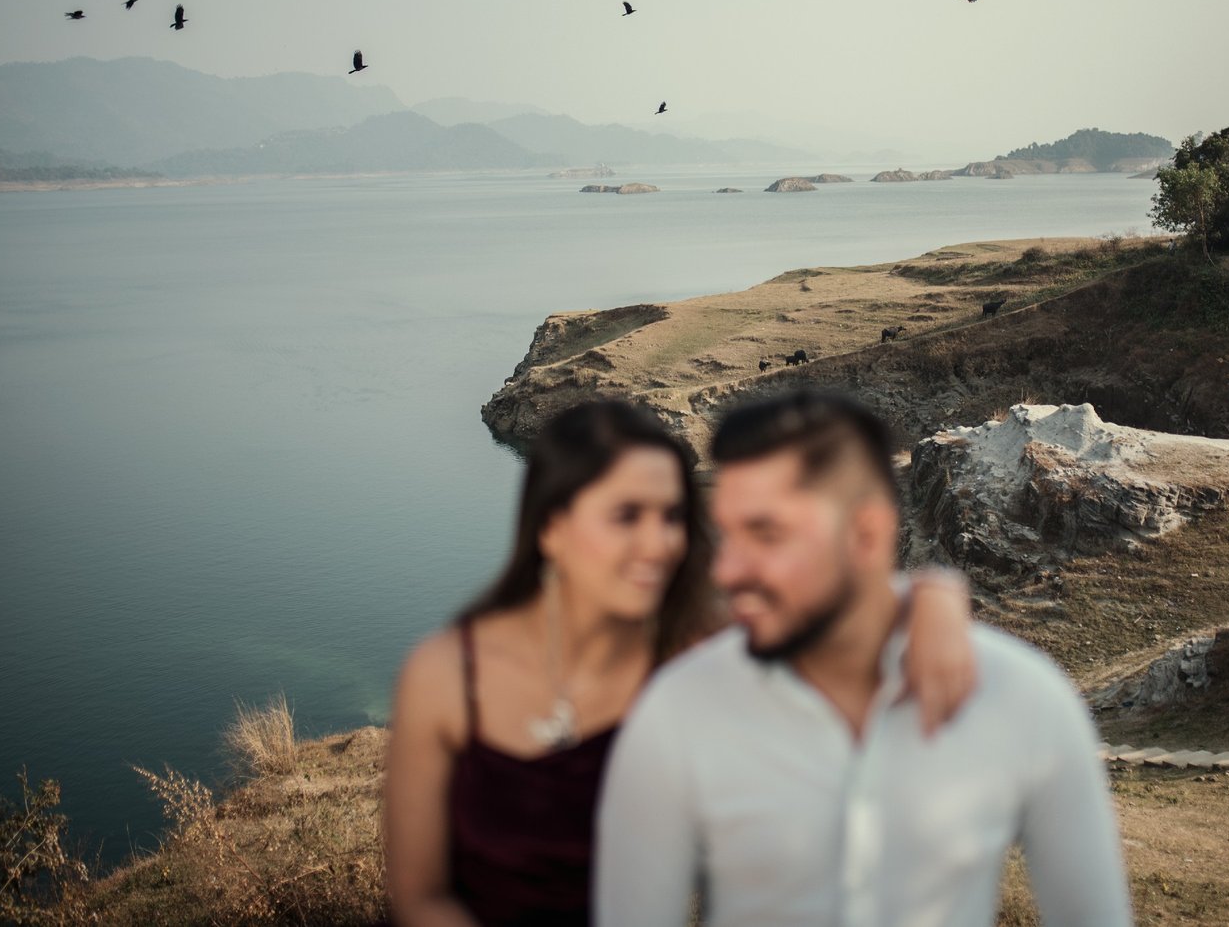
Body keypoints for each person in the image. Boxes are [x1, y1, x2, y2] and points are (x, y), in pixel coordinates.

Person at [382, 397, 977, 927]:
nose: (660, 542)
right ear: (551, 528)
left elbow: (839, 620)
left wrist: (933, 598)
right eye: (626, 516)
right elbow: (419, 896)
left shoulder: (697, 650)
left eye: (671, 516)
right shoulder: (445, 675)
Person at [595, 391, 1134, 927]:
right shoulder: (677, 710)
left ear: (868, 534)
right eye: (728, 534)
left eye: (766, 533)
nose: (728, 570)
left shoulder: (1022, 698)